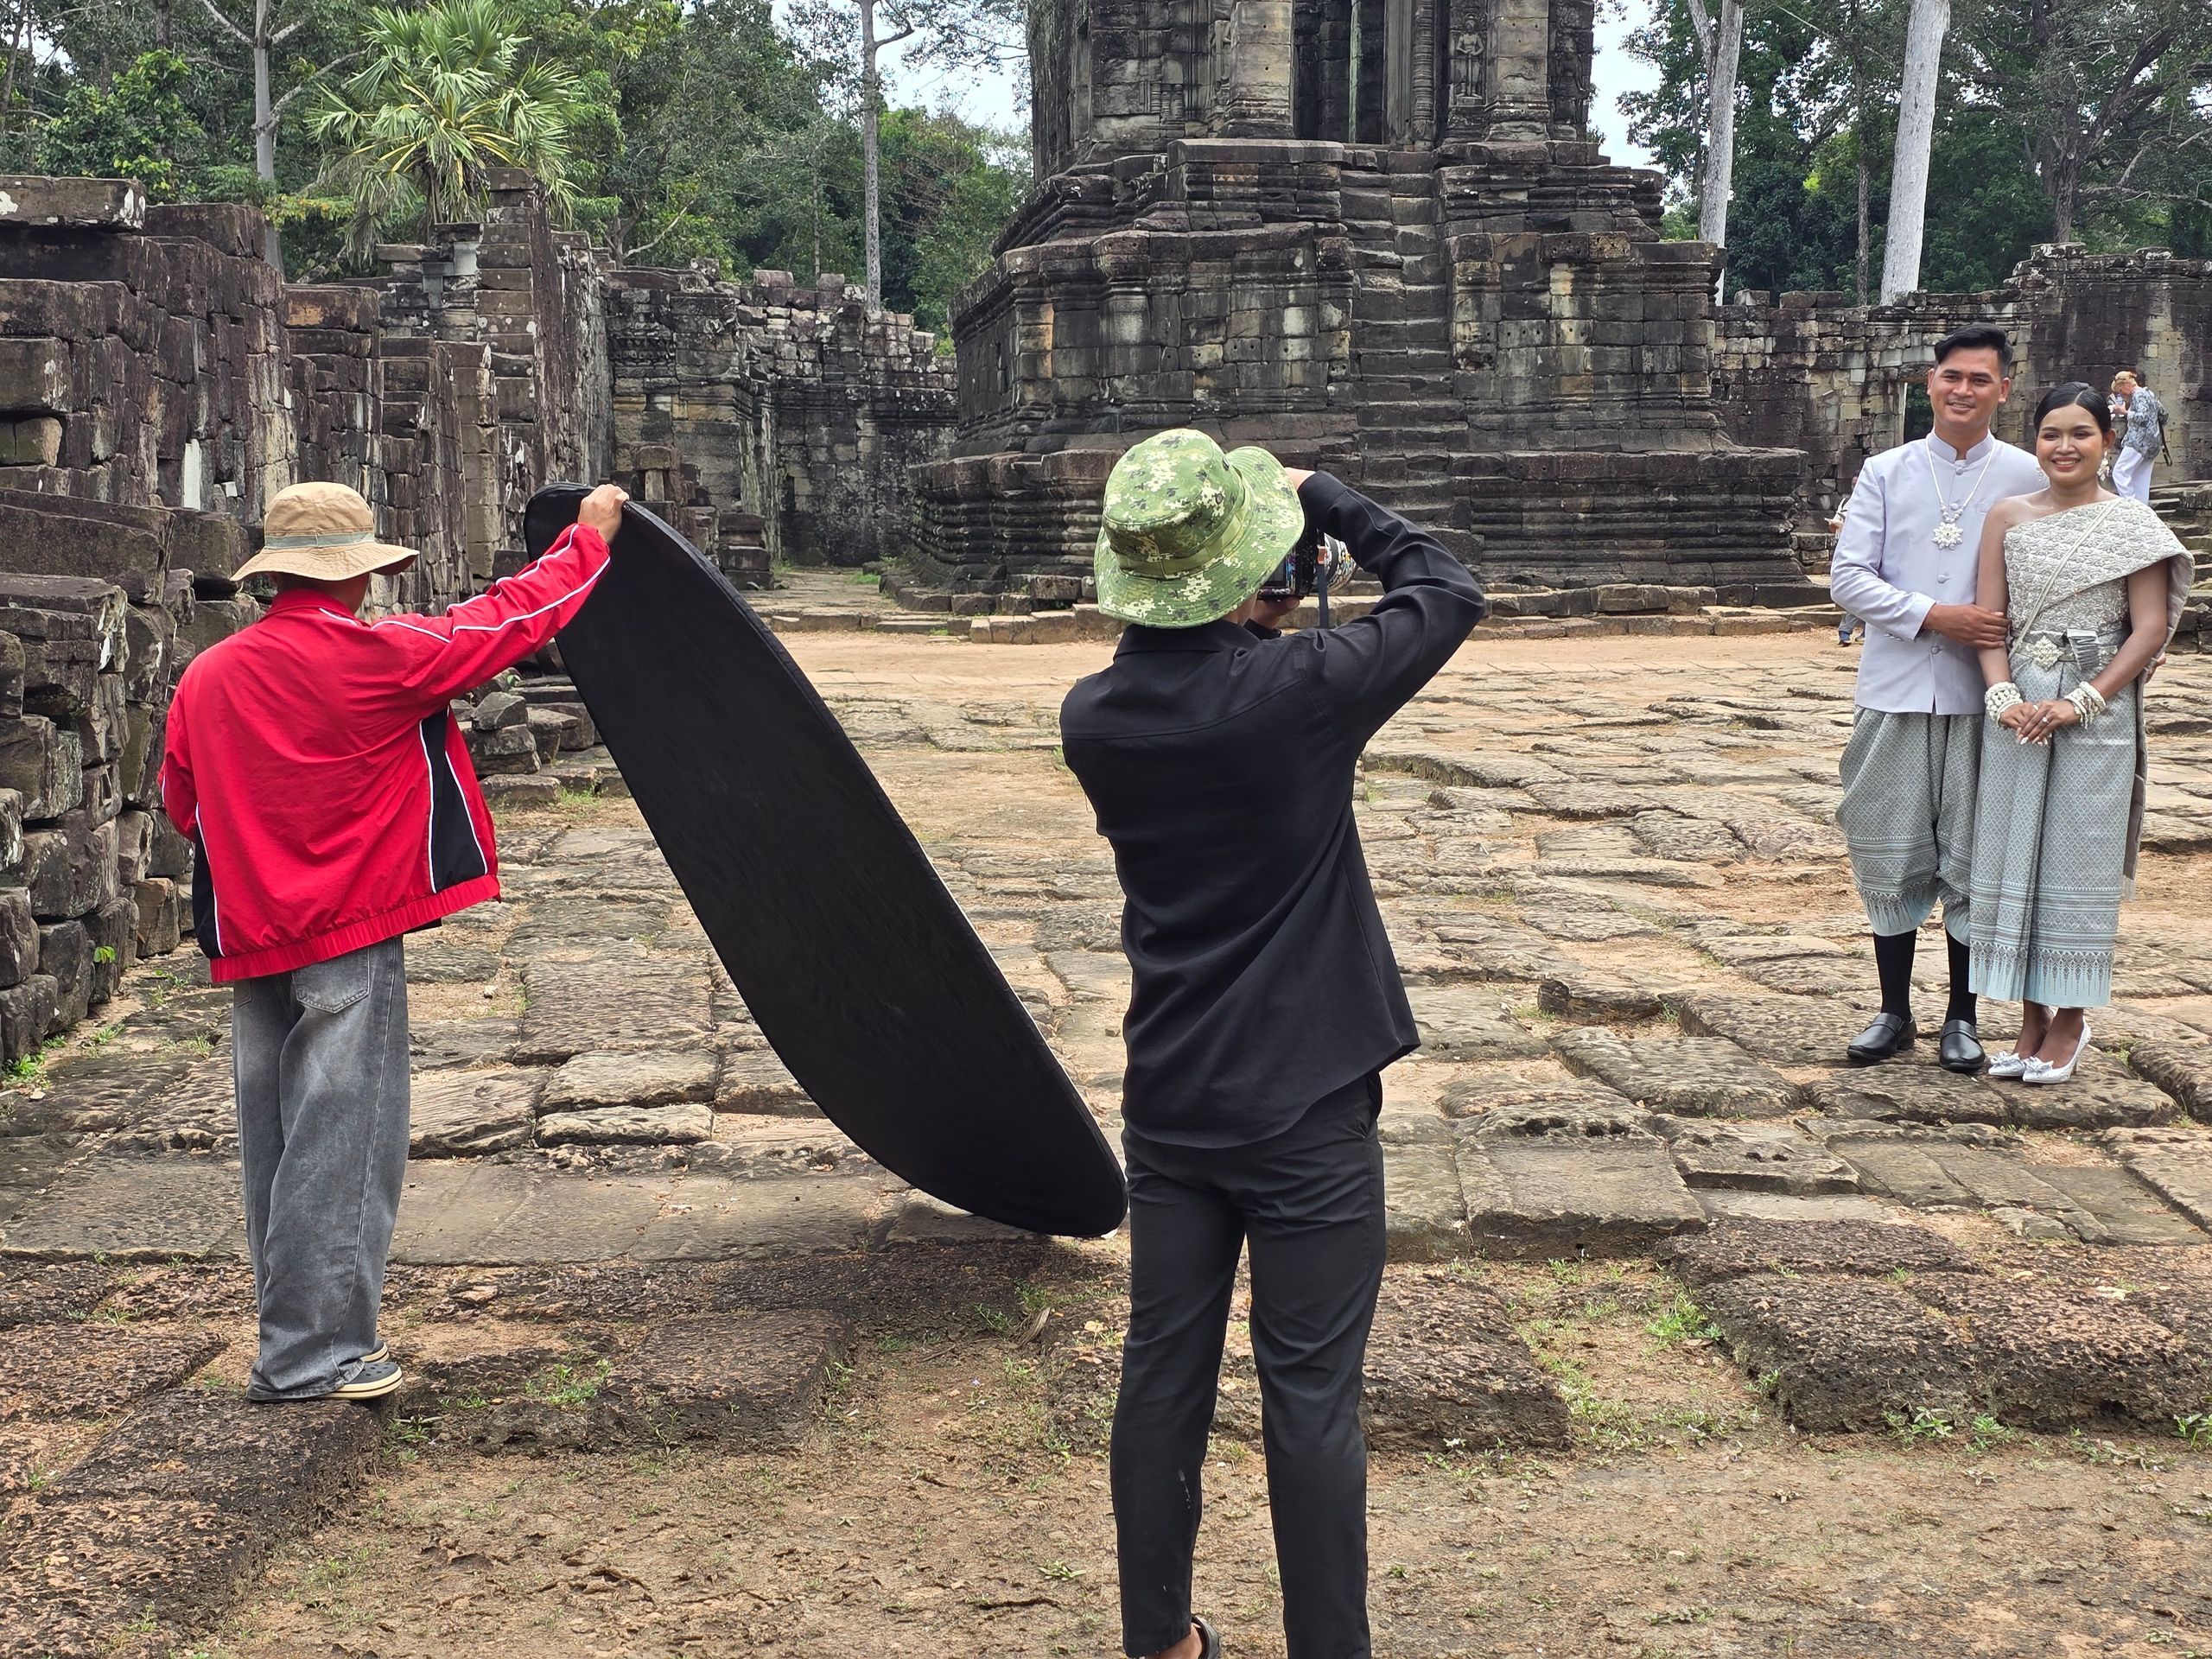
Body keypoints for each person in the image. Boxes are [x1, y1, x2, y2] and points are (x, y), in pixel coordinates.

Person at [1059, 429, 1484, 1659]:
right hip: (1303, 1101)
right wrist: (1326, 498)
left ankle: (1159, 1641)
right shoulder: (1299, 691)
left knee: (1161, 1374)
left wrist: (1254, 597)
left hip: (1173, 1097)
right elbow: (1446, 589)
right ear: (1246, 576)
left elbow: (1193, 672)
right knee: (1309, 1396)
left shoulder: (1094, 718)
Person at [160, 480, 629, 1402]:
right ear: (357, 575)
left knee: (279, 1139)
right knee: (345, 1139)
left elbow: (186, 801)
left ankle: (297, 1335)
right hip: (348, 923)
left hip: (252, 931)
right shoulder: (376, 657)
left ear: (275, 575)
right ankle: (311, 1357)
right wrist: (587, 543)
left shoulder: (207, 675)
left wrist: (269, 850)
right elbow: (505, 623)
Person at [1827, 325, 2046, 1072]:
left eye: (1980, 380)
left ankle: (1962, 1016)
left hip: (1987, 698)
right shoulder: (1887, 471)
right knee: (1887, 848)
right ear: (1930, 383)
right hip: (1893, 689)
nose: (1963, 390)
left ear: (2003, 389)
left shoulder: (2026, 474)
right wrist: (1934, 615)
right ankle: (1893, 1010)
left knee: (1972, 858)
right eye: (1952, 376)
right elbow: (1848, 578)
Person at [1970, 384, 2191, 1081]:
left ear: (2108, 442)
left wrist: (2082, 701)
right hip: (2017, 710)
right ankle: (2029, 1018)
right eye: (2051, 434)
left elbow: (2147, 629)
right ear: (2034, 441)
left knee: (2078, 856)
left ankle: (2071, 1018)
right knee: (2015, 853)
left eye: (2081, 434)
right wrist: (2002, 694)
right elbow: (1991, 621)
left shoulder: (2132, 524)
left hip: (2096, 708)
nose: (2064, 447)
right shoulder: (2007, 516)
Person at [2111, 370, 2168, 504]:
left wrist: (2124, 412)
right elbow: (2164, 415)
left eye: (2120, 391)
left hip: (2139, 441)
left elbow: (2142, 417)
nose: (2122, 395)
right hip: (2154, 442)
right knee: (2141, 478)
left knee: (2119, 472)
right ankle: (2142, 508)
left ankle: (2131, 505)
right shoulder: (2149, 393)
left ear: (2126, 384)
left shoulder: (2138, 394)